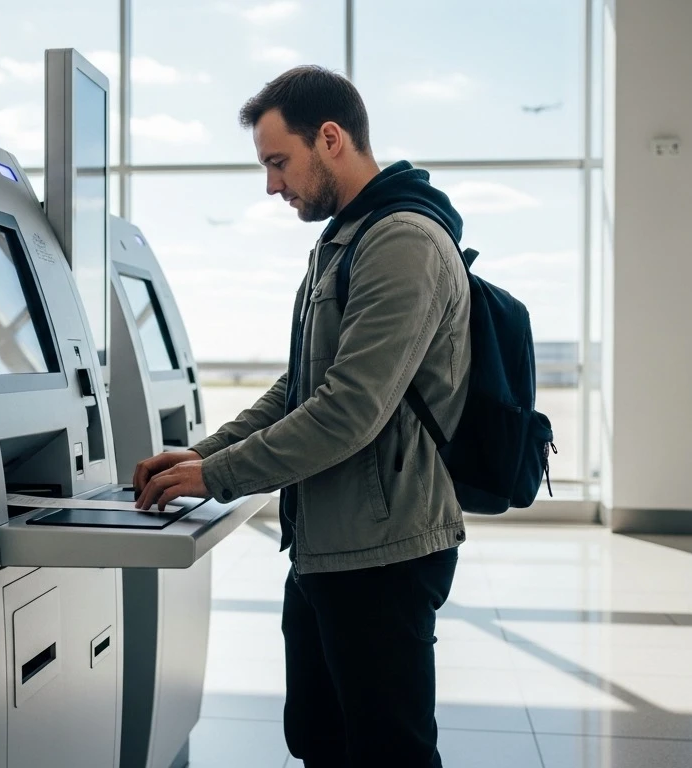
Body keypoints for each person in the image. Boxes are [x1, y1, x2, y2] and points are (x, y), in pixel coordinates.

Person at [133, 65, 472, 767]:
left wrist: (216, 475)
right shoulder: (347, 240)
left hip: (383, 554)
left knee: (388, 751)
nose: (272, 184)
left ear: (330, 138)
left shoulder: (402, 241)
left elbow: (348, 410)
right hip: (331, 542)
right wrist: (201, 453)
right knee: (320, 739)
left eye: (278, 162)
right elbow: (300, 386)